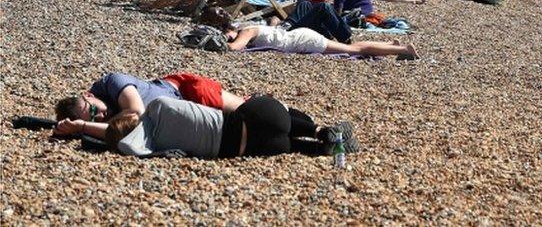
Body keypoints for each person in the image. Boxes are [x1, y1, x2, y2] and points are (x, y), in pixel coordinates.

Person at [105, 95, 356, 159]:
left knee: (290, 146)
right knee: (283, 115)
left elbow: (126, 145)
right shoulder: (158, 107)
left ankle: (326, 150)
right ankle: (321, 131)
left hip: (257, 149)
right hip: (264, 118)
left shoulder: (152, 147)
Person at [52, 72, 245, 140]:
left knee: (248, 110)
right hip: (182, 114)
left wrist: (85, 127)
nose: (100, 117)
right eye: (93, 119)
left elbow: (136, 115)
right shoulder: (102, 119)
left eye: (94, 110)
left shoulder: (112, 82)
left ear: (88, 95)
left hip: (185, 91)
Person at [224, 22, 417, 58]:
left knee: (356, 51)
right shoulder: (251, 27)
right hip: (301, 37)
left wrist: (226, 42)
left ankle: (403, 50)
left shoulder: (246, 31)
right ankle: (391, 45)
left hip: (305, 42)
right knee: (350, 47)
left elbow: (234, 48)